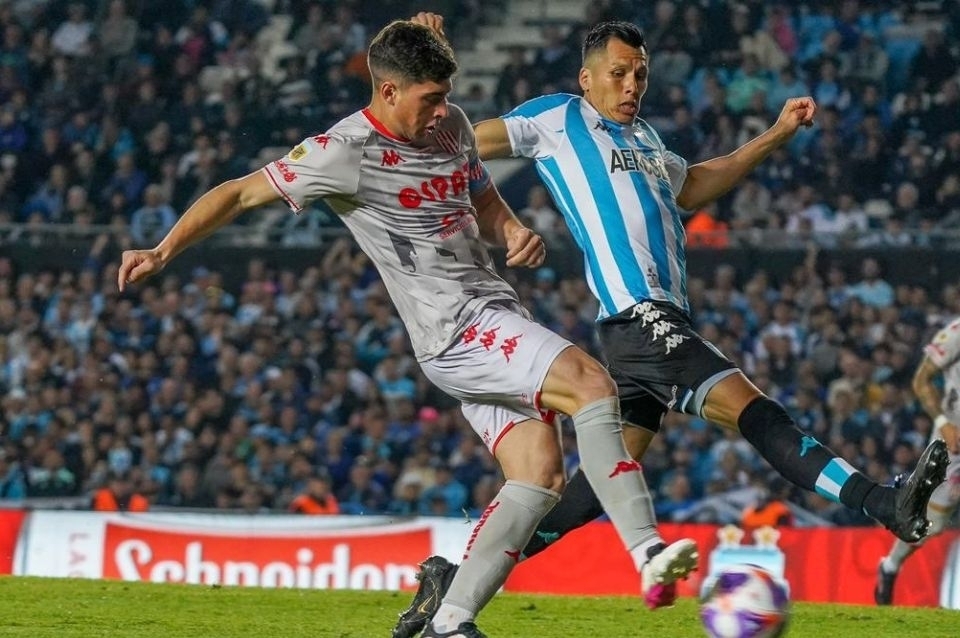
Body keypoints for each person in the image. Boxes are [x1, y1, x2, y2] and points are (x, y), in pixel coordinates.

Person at [117, 19, 695, 638]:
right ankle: (647, 552)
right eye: (430, 98)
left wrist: (510, 230)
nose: (443, 110)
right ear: (388, 91)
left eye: (446, 95)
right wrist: (162, 250)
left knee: (539, 474)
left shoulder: (453, 125)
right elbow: (237, 195)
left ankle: (450, 619)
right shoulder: (342, 152)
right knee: (592, 385)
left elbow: (481, 196)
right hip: (455, 328)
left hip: (494, 312)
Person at [393, 16, 949, 638]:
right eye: (618, 73)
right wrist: (428, 61)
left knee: (585, 495)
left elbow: (694, 187)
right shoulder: (556, 118)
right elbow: (463, 135)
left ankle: (453, 580)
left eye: (641, 74)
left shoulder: (649, 141)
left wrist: (776, 134)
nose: (632, 85)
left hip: (655, 325)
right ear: (586, 78)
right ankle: (882, 502)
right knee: (757, 413)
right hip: (639, 318)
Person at [875, 316, 960, 605]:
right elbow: (921, 379)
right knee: (931, 524)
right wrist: (943, 423)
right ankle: (890, 566)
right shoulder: (956, 334)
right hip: (954, 437)